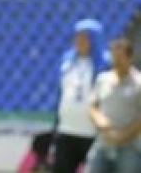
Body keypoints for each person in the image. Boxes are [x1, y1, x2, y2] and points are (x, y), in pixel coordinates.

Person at [52, 19, 110, 173]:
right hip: (66, 130)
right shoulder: (67, 61)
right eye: (77, 36)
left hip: (93, 133)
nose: (79, 40)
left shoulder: (105, 63)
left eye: (85, 37)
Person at [86, 38, 141, 173]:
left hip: (130, 147)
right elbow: (92, 106)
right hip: (103, 143)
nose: (116, 61)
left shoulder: (139, 82)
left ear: (130, 58)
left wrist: (122, 135)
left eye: (120, 57)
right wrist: (100, 121)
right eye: (113, 56)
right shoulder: (103, 79)